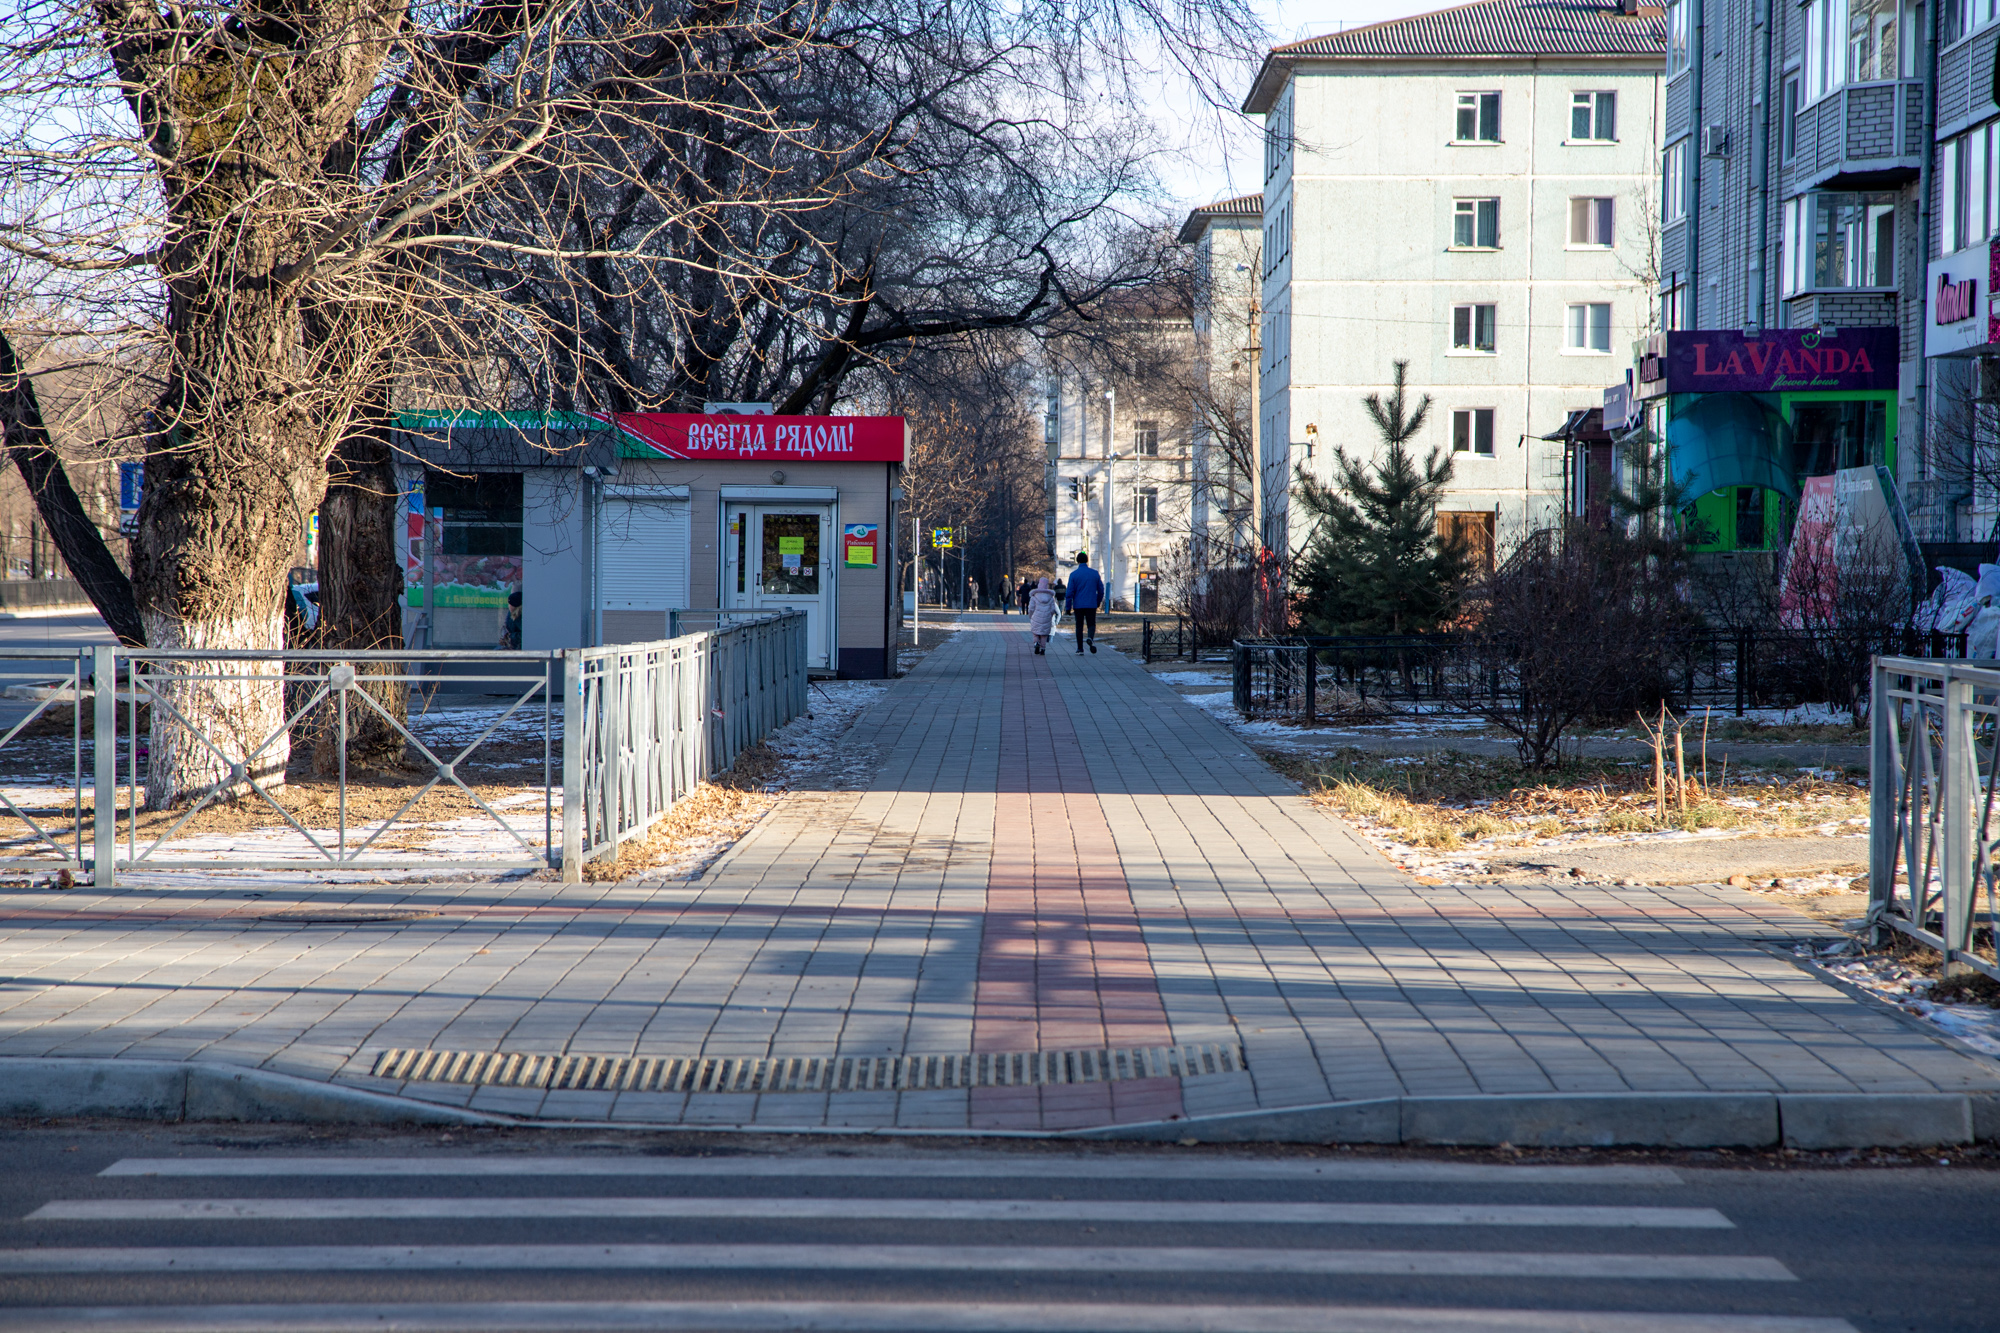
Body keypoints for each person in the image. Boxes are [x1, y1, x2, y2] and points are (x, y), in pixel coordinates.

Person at [1064, 551, 1105, 654]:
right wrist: (1098, 601)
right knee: (1091, 624)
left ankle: (1080, 648)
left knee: (1079, 626)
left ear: (1077, 561)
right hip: (1091, 604)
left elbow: (1069, 592)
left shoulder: (1073, 575)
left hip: (1078, 605)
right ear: (1087, 560)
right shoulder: (1094, 573)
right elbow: (1101, 590)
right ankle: (1090, 637)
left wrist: (1068, 608)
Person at [1026, 576, 1058, 654]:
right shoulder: (1050, 597)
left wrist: (1030, 615)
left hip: (1036, 617)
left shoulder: (1034, 596)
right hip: (1047, 618)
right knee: (1044, 634)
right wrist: (1050, 616)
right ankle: (1043, 648)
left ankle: (1036, 643)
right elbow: (1052, 609)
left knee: (1036, 632)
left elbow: (1031, 608)